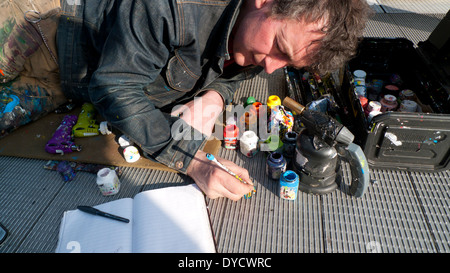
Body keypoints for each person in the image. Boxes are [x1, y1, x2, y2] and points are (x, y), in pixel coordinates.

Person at [1, 0, 371, 200]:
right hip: (48, 48)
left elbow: (231, 71)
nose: (271, 66)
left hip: (85, 80)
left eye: (288, 62)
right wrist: (192, 161)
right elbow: (115, 85)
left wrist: (214, 94)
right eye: (278, 48)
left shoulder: (262, 35)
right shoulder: (172, 6)